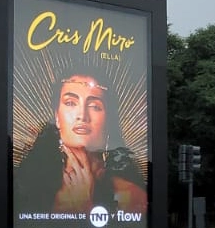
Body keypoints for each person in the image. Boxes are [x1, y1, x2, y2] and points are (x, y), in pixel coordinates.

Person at [15, 74, 148, 215]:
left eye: (94, 106)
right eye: (70, 103)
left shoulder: (129, 196)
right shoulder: (27, 184)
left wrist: (86, 207)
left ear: (108, 121)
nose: (82, 115)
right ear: (57, 117)